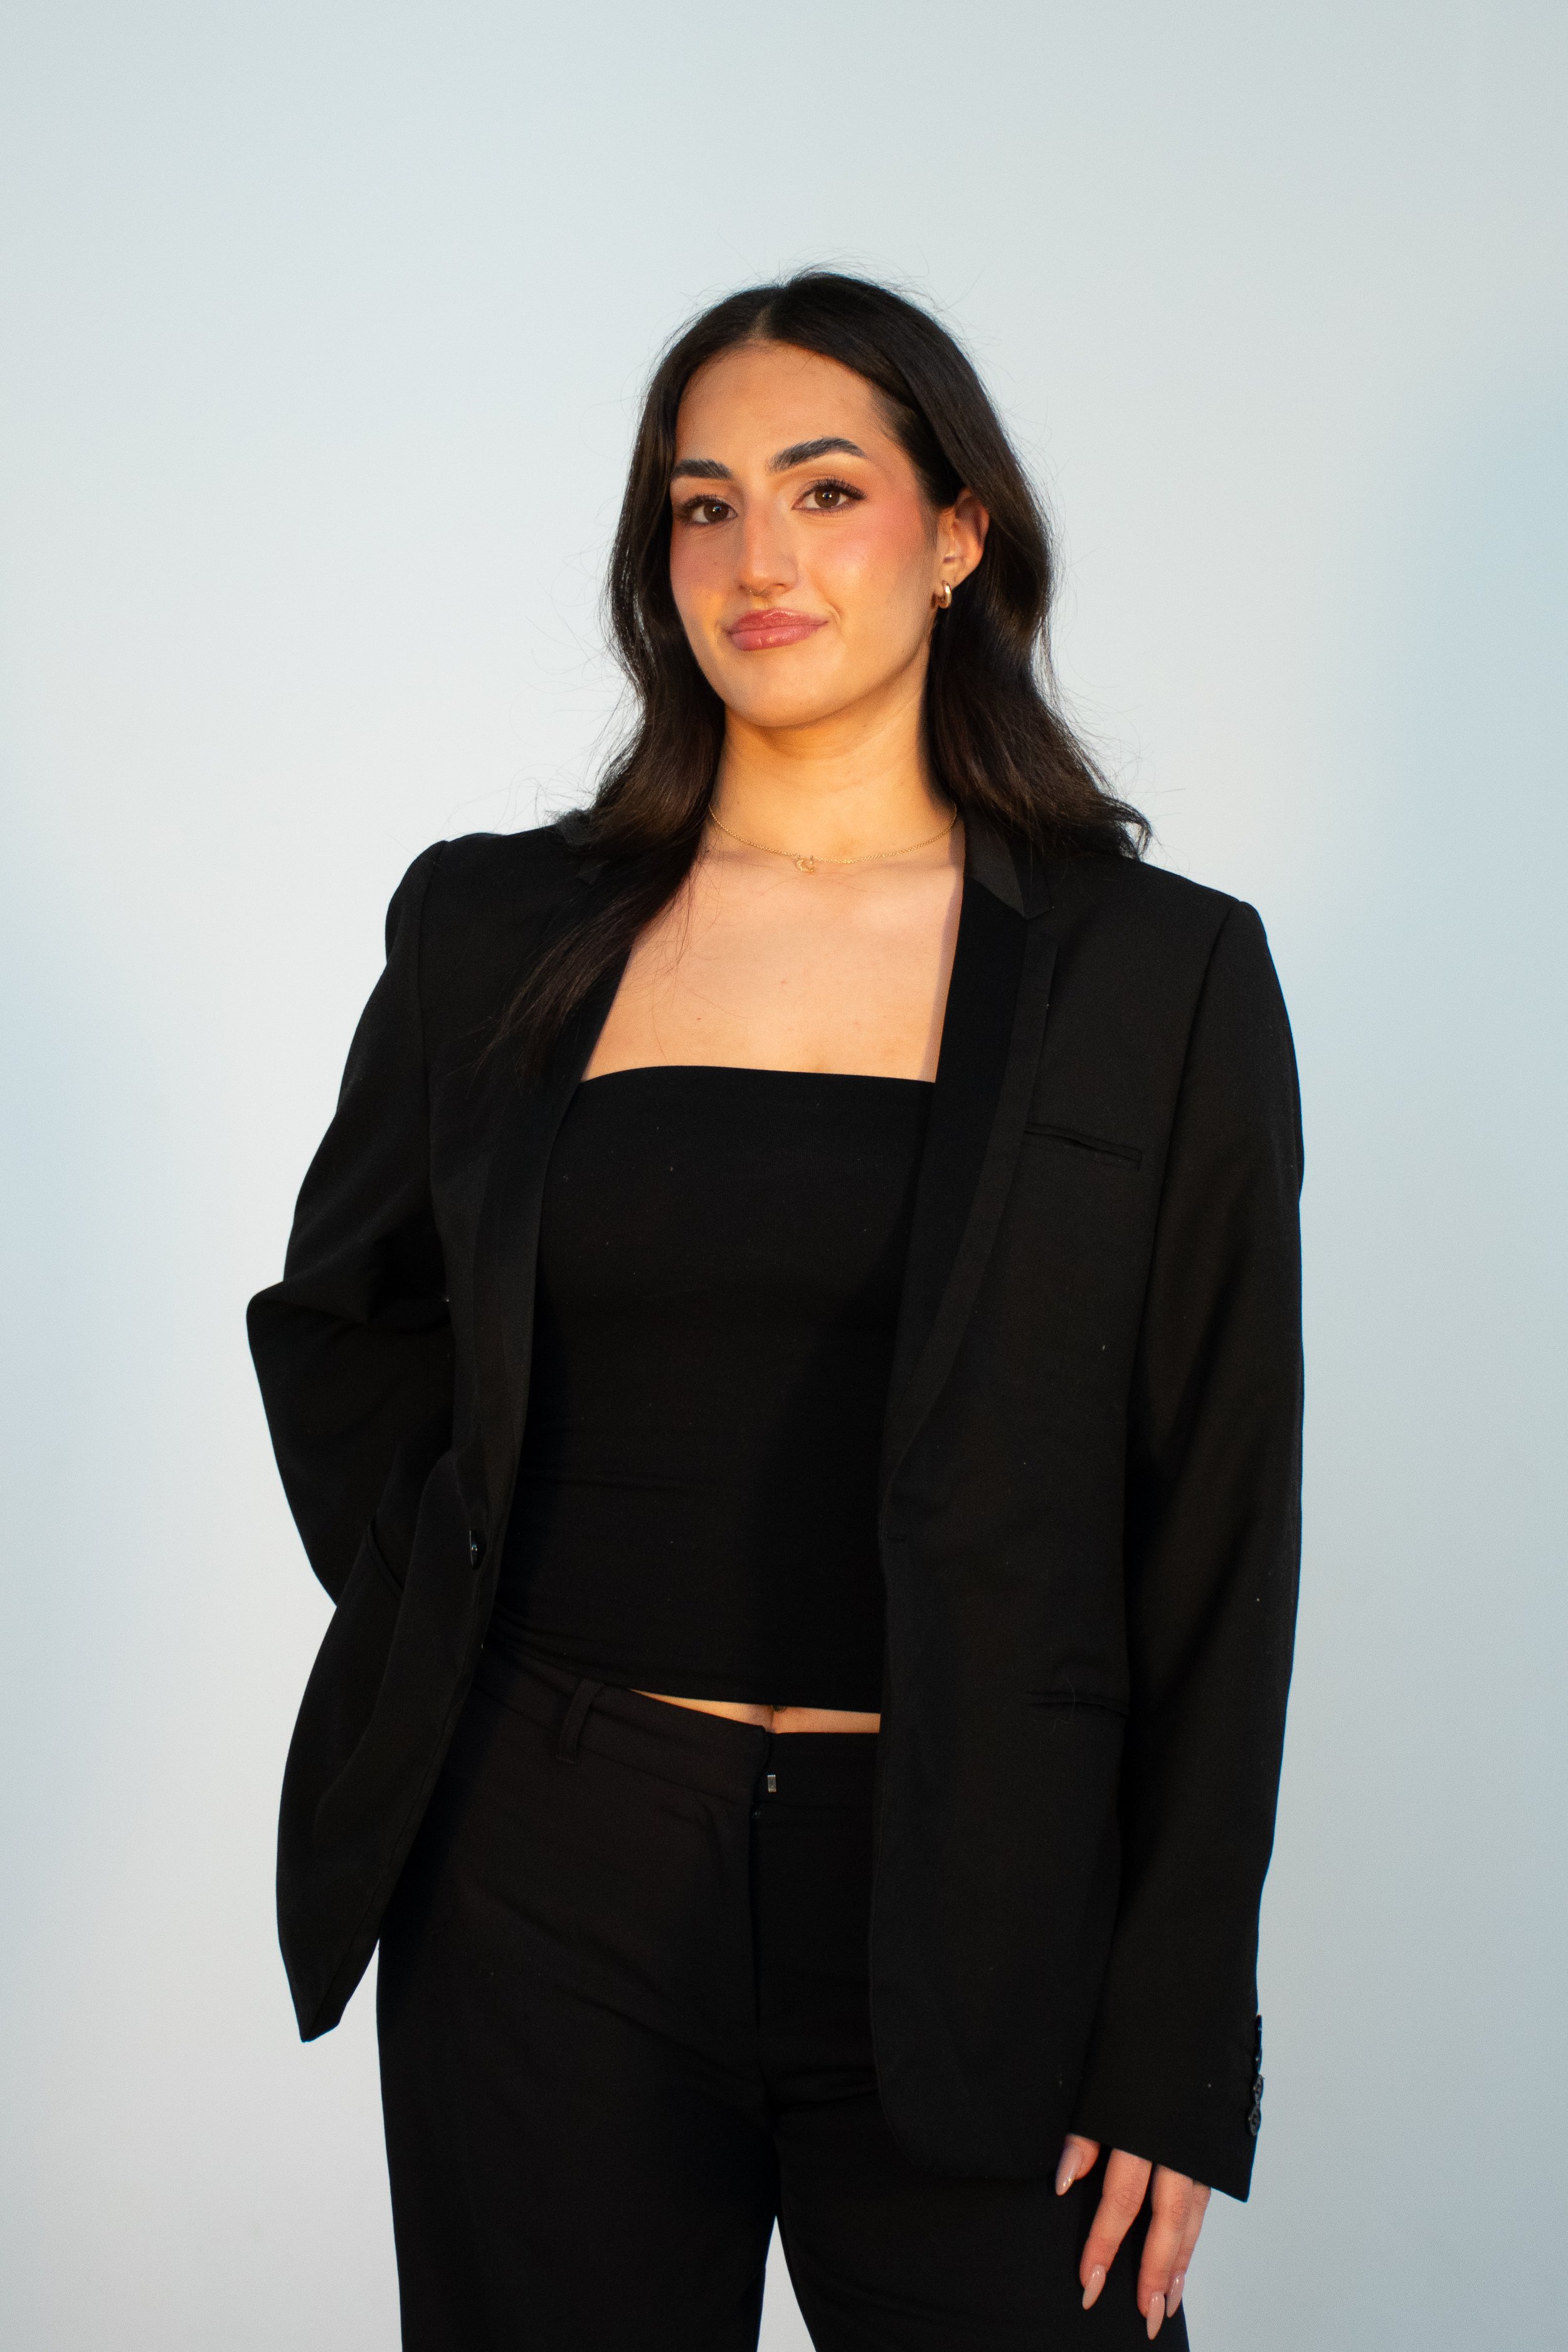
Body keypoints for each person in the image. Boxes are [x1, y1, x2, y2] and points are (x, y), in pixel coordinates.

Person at [248, 270, 1303, 2351]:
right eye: (699, 505)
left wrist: (1174, 2037)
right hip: (545, 1879)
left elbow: (1217, 1523)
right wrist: (459, 1610)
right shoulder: (500, 927)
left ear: (957, 531)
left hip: (976, 1891)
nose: (756, 557)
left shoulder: (1151, 977)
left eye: (824, 490)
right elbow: (342, 1321)